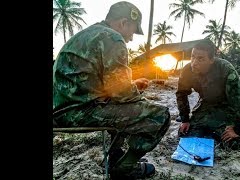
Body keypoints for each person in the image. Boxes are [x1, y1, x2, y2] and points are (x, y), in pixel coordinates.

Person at [53, 1, 170, 179]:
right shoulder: (112, 38)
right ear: (124, 23)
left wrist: (131, 85)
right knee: (161, 115)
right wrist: (135, 92)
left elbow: (99, 84)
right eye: (132, 30)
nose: (131, 38)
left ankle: (115, 155)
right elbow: (121, 94)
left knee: (120, 104)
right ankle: (124, 168)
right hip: (77, 113)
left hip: (62, 109)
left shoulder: (88, 34)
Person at [176, 39, 240, 150]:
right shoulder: (187, 70)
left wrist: (237, 128)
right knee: (186, 135)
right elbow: (181, 94)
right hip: (206, 104)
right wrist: (185, 120)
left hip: (228, 106)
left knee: (231, 142)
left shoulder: (225, 69)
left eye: (200, 59)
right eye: (192, 56)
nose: (194, 62)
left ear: (211, 60)